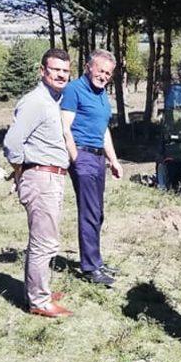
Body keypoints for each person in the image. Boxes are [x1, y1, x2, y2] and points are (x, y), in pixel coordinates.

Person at [3, 48, 73, 318]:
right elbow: (12, 143)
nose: (61, 75)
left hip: (51, 176)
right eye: (55, 69)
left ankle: (38, 290)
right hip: (41, 176)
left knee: (46, 239)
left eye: (65, 71)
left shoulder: (52, 101)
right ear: (42, 70)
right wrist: (20, 170)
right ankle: (39, 301)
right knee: (44, 242)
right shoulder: (36, 101)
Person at [61, 50, 123, 286]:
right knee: (89, 212)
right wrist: (75, 158)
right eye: (100, 70)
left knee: (97, 212)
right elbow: (64, 127)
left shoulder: (102, 95)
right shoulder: (74, 90)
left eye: (108, 73)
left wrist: (114, 160)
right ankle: (90, 269)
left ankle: (96, 260)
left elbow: (103, 130)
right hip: (83, 155)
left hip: (98, 158)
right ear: (88, 67)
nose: (104, 76)